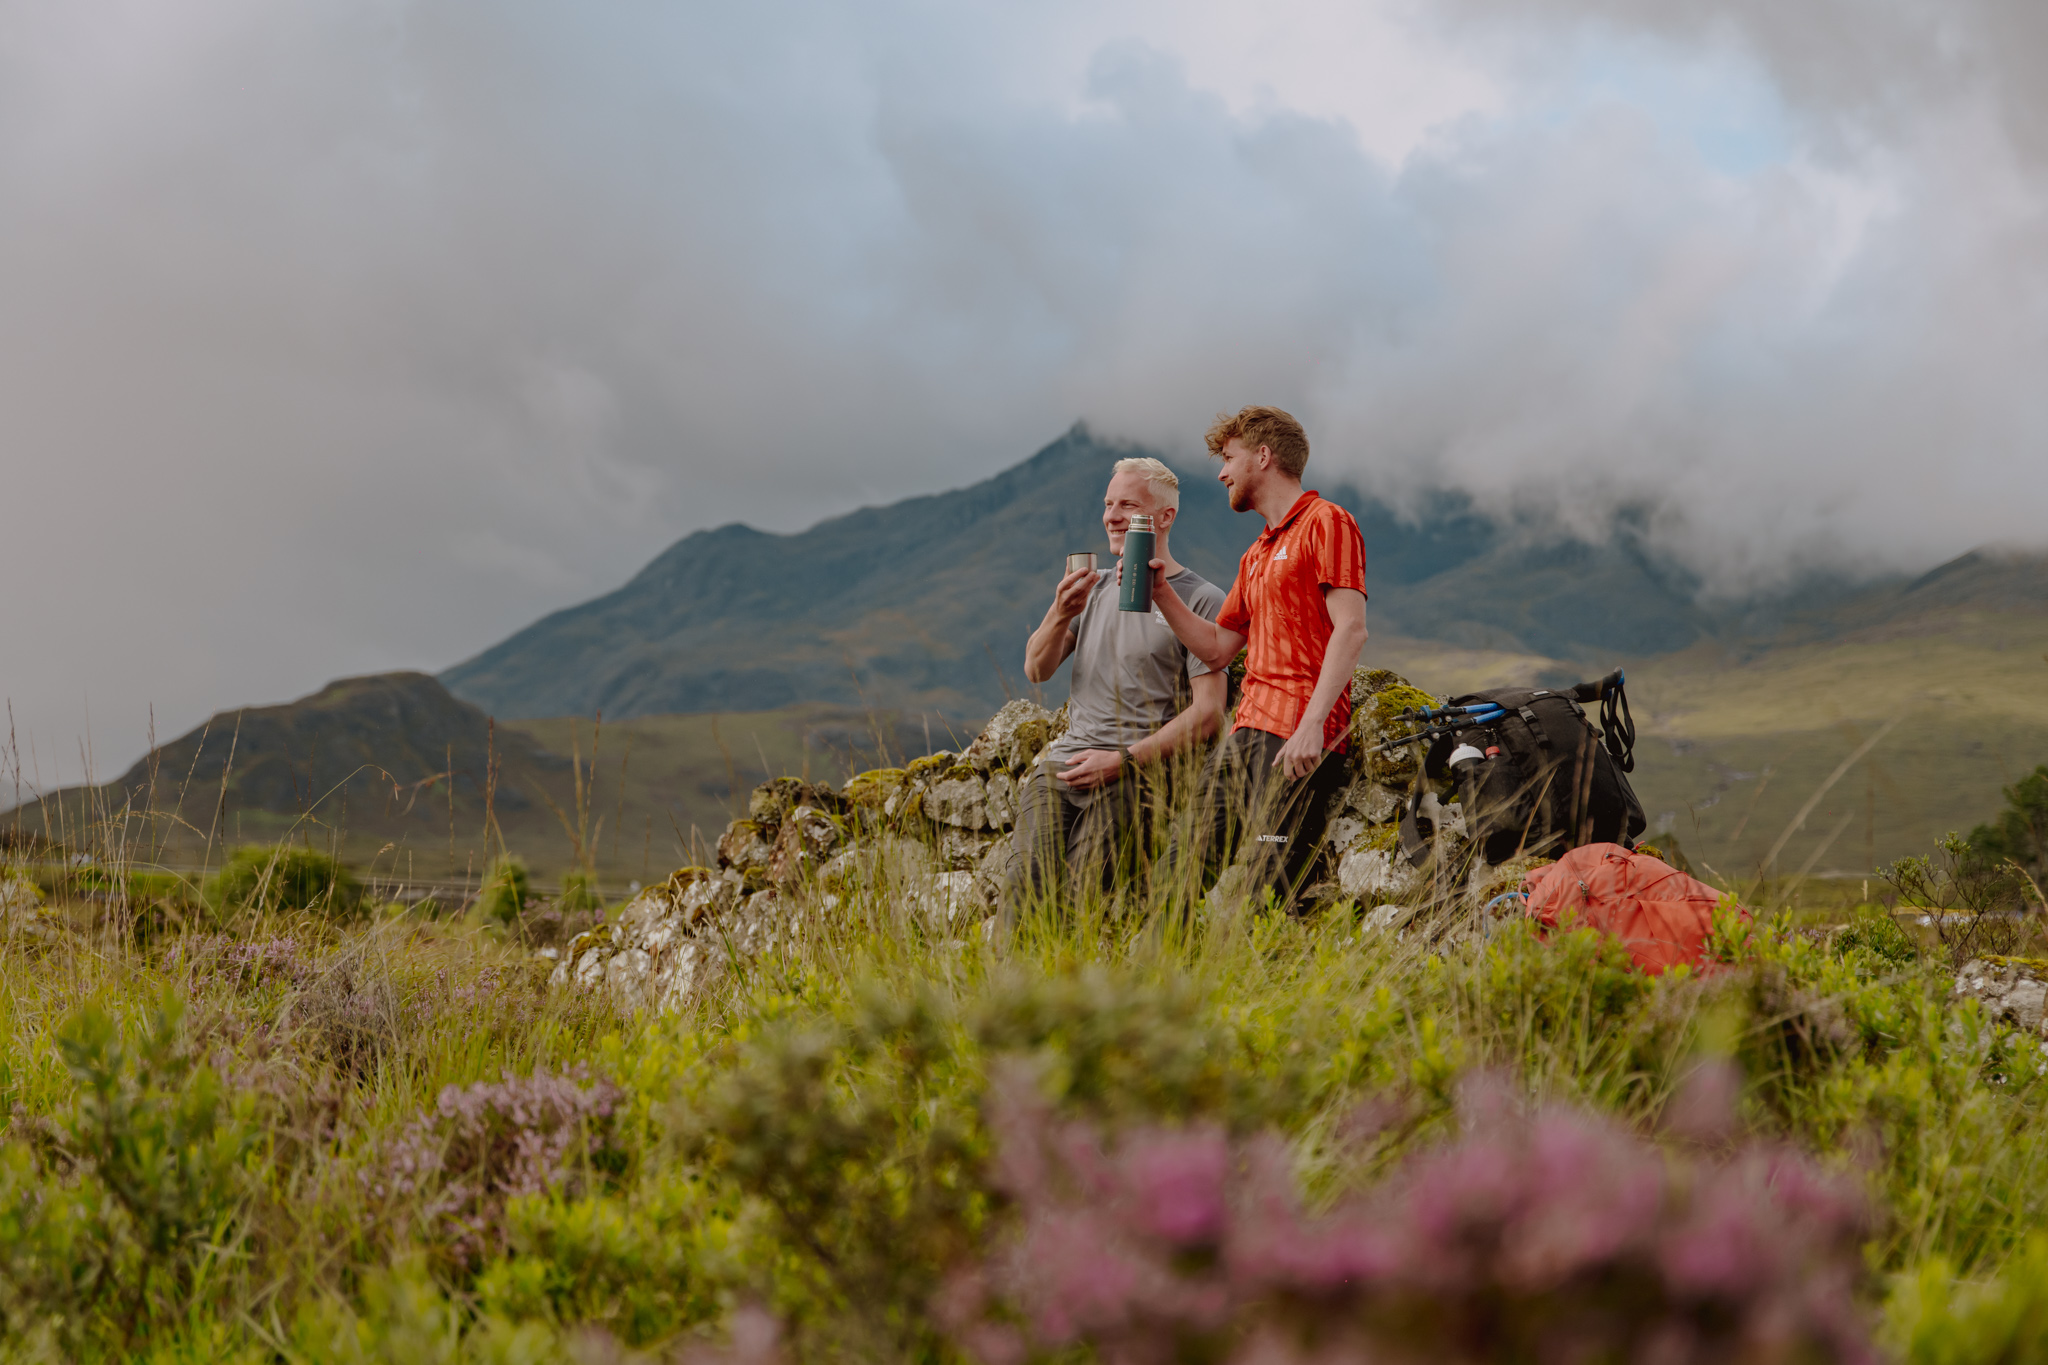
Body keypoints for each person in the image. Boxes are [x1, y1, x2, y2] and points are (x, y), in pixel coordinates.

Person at [1149, 406, 1368, 908]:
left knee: (1268, 893)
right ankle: (1154, 984)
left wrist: (1312, 725)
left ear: (1263, 456)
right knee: (1179, 870)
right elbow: (1219, 648)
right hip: (1244, 735)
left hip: (1297, 741)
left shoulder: (1327, 521)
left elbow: (1351, 630)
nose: (1222, 472)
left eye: (1228, 458)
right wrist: (1162, 592)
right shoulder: (1256, 554)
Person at [1002, 457, 1229, 924]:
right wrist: (1060, 612)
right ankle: (1012, 996)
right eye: (1108, 504)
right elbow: (1036, 669)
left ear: (1165, 517)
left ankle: (1077, 994)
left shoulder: (1202, 598)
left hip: (1137, 774)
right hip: (1064, 765)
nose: (1112, 515)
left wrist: (1122, 760)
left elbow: (1209, 715)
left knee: (1083, 899)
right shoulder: (1096, 588)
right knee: (1025, 889)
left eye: (1127, 504)